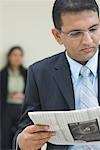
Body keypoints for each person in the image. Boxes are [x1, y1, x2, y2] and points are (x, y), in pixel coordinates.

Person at [14, 0, 100, 149]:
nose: (87, 40)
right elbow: (25, 128)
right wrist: (22, 142)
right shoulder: (39, 73)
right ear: (57, 35)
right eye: (76, 33)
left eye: (93, 29)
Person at [0, 46, 27, 150]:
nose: (17, 58)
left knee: (20, 135)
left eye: (20, 55)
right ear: (9, 57)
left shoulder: (27, 73)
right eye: (14, 55)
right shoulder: (3, 74)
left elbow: (31, 92)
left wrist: (22, 96)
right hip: (7, 108)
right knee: (6, 137)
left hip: (22, 108)